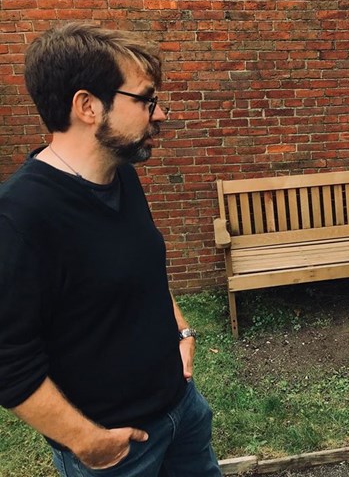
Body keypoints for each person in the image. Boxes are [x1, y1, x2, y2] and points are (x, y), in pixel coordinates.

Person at [0, 23, 222, 476]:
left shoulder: (120, 175)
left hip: (183, 413)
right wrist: (88, 442)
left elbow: (142, 270)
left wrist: (181, 331)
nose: (160, 114)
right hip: (118, 452)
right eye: (146, 99)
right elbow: (9, 362)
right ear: (88, 106)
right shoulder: (21, 217)